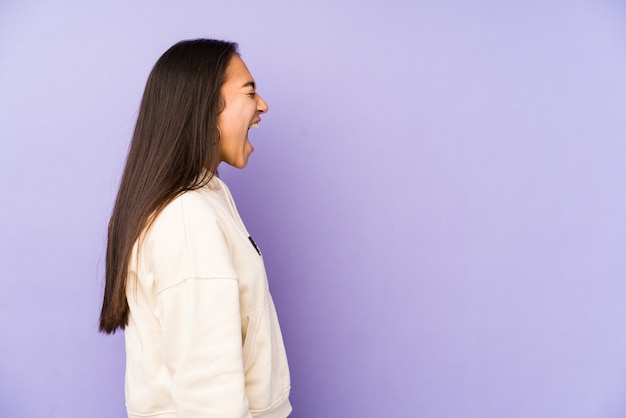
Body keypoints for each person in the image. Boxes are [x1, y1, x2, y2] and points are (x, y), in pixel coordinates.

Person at [99, 39, 292, 418]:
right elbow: (209, 393)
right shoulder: (188, 218)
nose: (262, 105)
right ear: (206, 106)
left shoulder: (204, 199)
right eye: (250, 92)